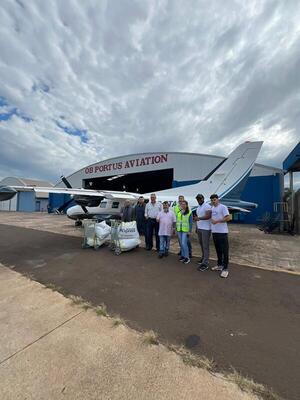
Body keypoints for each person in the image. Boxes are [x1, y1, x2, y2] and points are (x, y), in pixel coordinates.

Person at [210, 194, 231, 278]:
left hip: (222, 232)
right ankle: (219, 265)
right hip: (214, 232)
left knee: (225, 251)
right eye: (212, 200)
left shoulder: (223, 207)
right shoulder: (212, 208)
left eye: (214, 199)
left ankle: (225, 269)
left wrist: (217, 221)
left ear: (218, 199)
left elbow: (228, 218)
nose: (213, 201)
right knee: (218, 250)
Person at [194, 194, 212, 271]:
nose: (199, 200)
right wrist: (196, 227)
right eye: (198, 199)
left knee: (205, 245)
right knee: (201, 244)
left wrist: (199, 218)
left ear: (203, 198)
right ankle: (203, 258)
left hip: (206, 229)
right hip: (200, 228)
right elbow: (197, 219)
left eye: (200, 199)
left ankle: (205, 263)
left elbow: (208, 216)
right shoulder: (198, 207)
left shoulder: (207, 206)